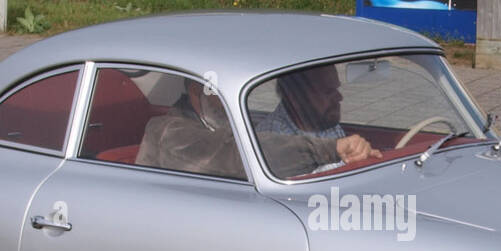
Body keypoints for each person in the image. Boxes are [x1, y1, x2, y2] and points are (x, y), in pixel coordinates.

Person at [136, 79, 378, 179]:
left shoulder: (223, 122)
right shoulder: (168, 132)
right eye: (225, 91)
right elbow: (237, 154)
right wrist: (330, 149)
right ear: (197, 92)